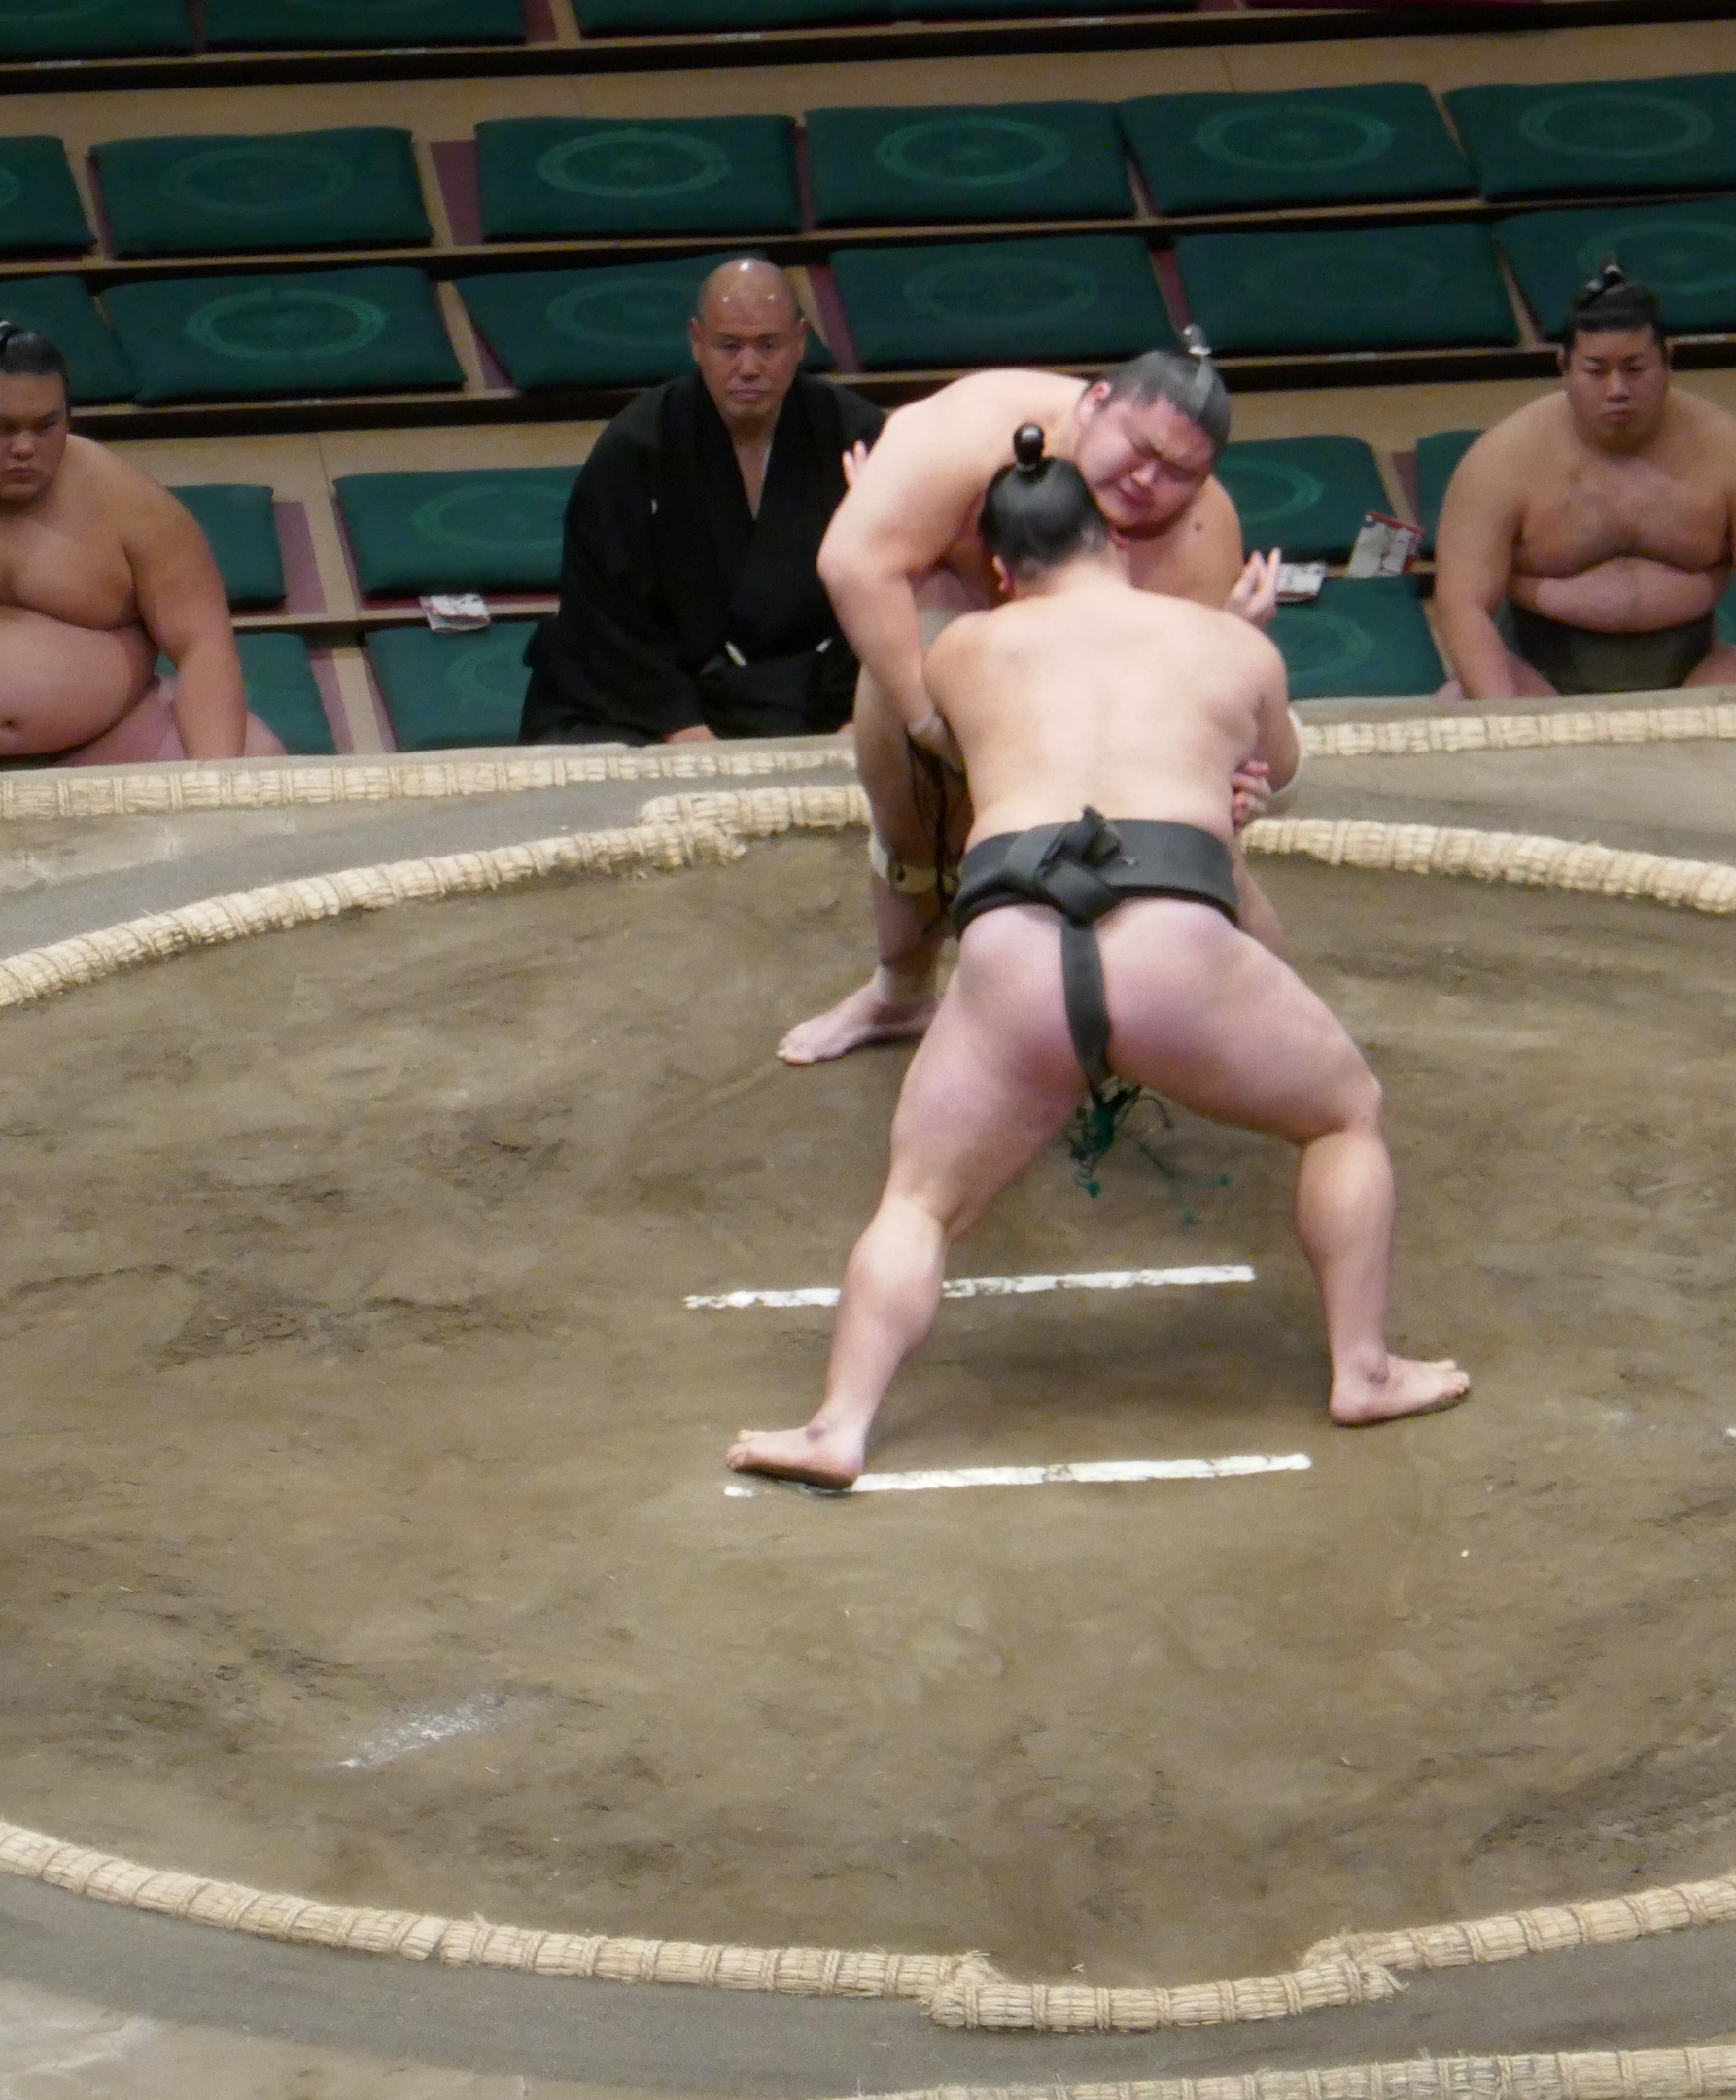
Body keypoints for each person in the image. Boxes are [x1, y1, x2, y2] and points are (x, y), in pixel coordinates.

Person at [727, 430, 1466, 1488]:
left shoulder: (961, 652)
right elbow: (1275, 776)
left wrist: (903, 541)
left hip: (1013, 947)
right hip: (1176, 939)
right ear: (1113, 539)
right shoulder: (1232, 648)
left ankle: (837, 1425)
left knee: (919, 1200)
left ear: (999, 571)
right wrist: (1233, 686)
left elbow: (938, 719)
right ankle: (1365, 1369)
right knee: (1346, 1115)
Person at [776, 346, 1280, 1068]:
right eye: (1140, 449)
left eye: (1180, 474)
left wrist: (1227, 776)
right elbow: (854, 562)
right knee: (910, 704)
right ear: (1095, 402)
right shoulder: (972, 431)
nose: (1148, 480)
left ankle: (1183, 1001)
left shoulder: (1200, 531)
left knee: (1196, 822)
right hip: (955, 643)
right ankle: (902, 991)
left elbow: (1189, 696)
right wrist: (930, 723)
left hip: (1112, 694)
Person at [0, 322, 281, 773]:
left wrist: (215, 789)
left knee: (257, 759)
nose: (24, 447)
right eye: (1, 427)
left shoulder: (132, 502)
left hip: (112, 747)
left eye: (45, 427)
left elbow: (202, 645)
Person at [520, 259, 887, 747]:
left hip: (814, 696)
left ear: (800, 341)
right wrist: (682, 728)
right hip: (655, 698)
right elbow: (602, 610)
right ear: (696, 341)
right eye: (729, 346)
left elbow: (893, 586)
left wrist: (859, 716)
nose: (749, 368)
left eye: (769, 346)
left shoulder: (856, 437)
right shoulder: (638, 446)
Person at [1429, 265, 1736, 700]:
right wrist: (1506, 716)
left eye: (1635, 368)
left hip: (1697, 675)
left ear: (1667, 363)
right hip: (1538, 679)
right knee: (1459, 705)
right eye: (1596, 371)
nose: (1617, 389)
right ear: (1564, 367)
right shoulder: (1500, 460)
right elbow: (1463, 604)